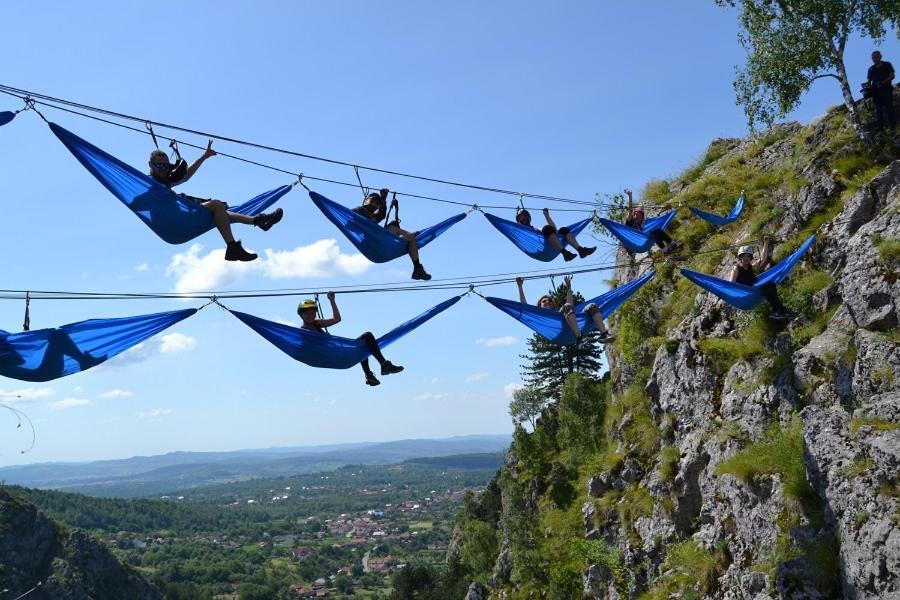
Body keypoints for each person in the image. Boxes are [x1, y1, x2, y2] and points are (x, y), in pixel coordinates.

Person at [148, 141, 284, 262]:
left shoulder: (164, 182)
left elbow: (186, 176)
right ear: (151, 165)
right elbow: (138, 202)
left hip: (184, 218)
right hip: (173, 223)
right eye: (160, 165)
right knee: (216, 205)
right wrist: (164, 197)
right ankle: (233, 247)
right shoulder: (149, 184)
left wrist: (203, 157)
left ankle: (258, 221)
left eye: (167, 165)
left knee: (221, 212)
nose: (164, 168)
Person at [297, 291, 403, 386]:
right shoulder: (303, 332)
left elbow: (337, 319)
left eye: (312, 313)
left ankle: (370, 376)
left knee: (363, 344)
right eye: (306, 313)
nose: (310, 315)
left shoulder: (318, 323)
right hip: (332, 356)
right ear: (301, 315)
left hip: (339, 353)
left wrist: (332, 300)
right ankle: (383, 365)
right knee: (367, 336)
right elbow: (304, 349)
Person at [353, 189, 431, 280]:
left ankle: (417, 268)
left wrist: (383, 199)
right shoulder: (358, 212)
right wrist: (365, 212)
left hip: (380, 245)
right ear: (368, 201)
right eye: (374, 202)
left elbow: (381, 215)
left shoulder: (373, 217)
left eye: (377, 204)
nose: (375, 205)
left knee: (409, 236)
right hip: (371, 246)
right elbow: (349, 220)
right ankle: (410, 238)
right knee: (392, 228)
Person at [515, 276, 614, 343]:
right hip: (559, 334)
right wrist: (520, 286)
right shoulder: (538, 315)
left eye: (549, 300)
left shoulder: (558, 313)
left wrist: (569, 287)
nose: (547, 302)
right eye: (544, 301)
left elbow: (570, 304)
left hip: (569, 326)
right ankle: (579, 336)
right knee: (567, 306)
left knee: (592, 306)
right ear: (540, 305)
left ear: (553, 305)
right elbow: (524, 306)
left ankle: (603, 334)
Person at [729, 238, 794, 320]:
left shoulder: (750, 267)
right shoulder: (736, 269)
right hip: (745, 293)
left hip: (753, 290)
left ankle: (780, 311)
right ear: (740, 257)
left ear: (751, 257)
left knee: (770, 284)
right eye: (743, 256)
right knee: (766, 286)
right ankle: (779, 311)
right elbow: (730, 285)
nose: (746, 258)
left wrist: (766, 243)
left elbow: (763, 259)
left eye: (748, 256)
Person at [515, 208, 596, 262]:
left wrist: (546, 215)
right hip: (541, 252)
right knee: (546, 228)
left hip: (551, 247)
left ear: (529, 218)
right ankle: (565, 253)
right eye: (521, 218)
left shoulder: (535, 229)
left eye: (525, 216)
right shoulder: (519, 230)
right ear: (518, 221)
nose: (523, 219)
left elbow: (554, 230)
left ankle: (581, 250)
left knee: (563, 230)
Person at [623, 188, 680, 255]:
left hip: (642, 243)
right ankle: (666, 249)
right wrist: (630, 196)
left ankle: (670, 246)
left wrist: (642, 209)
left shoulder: (641, 224)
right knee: (653, 233)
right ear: (634, 214)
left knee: (657, 231)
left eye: (641, 216)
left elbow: (645, 218)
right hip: (634, 245)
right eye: (638, 215)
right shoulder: (630, 221)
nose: (639, 217)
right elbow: (630, 209)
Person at [868, 51, 896, 132]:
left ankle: (893, 128)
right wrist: (867, 88)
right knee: (879, 112)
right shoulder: (871, 69)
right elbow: (869, 81)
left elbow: (892, 76)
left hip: (886, 90)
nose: (875, 59)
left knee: (889, 109)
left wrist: (883, 82)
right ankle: (882, 130)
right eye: (873, 58)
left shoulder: (887, 65)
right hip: (876, 93)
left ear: (880, 56)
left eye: (876, 57)